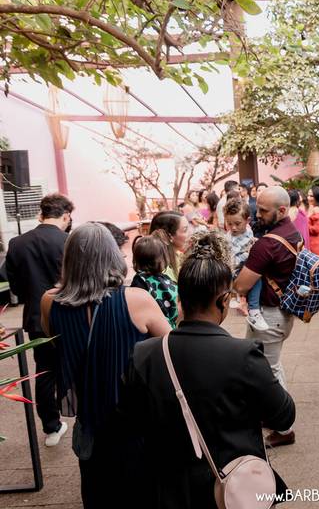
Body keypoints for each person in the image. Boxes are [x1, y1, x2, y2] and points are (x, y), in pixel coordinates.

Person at [119, 232, 296, 508]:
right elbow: (284, 415)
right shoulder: (243, 355)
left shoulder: (145, 354)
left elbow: (132, 420)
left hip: (169, 490)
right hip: (232, 487)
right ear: (223, 300)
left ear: (180, 298)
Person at [40, 223, 171, 508]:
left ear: (69, 259)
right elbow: (170, 347)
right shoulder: (136, 299)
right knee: (142, 494)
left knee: (97, 493)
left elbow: (55, 341)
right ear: (113, 256)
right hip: (135, 421)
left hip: (90, 421)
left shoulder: (50, 302)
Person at [234, 186, 301, 447]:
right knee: (273, 366)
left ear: (281, 210)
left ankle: (284, 428)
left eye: (263, 210)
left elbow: (241, 286)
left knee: (268, 373)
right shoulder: (292, 232)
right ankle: (273, 415)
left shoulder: (267, 243)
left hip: (269, 317)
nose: (257, 214)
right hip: (283, 313)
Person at [5, 193, 74, 446]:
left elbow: (15, 287)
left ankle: (51, 426)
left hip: (36, 317)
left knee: (45, 371)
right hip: (71, 314)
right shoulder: (69, 241)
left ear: (41, 214)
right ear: (66, 216)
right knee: (80, 364)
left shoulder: (17, 243)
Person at [224, 198, 268, 332]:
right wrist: (249, 253)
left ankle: (248, 303)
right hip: (235, 269)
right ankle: (254, 310)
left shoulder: (248, 231)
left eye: (237, 223)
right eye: (229, 224)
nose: (233, 227)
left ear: (247, 221)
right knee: (256, 278)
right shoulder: (229, 238)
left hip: (245, 265)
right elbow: (233, 259)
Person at [130, 234, 179, 328]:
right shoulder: (142, 281)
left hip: (161, 326)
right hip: (165, 326)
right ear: (161, 259)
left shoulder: (140, 280)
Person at [149, 211, 189, 282]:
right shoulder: (163, 271)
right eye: (185, 230)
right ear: (169, 236)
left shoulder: (179, 255)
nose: (190, 233)